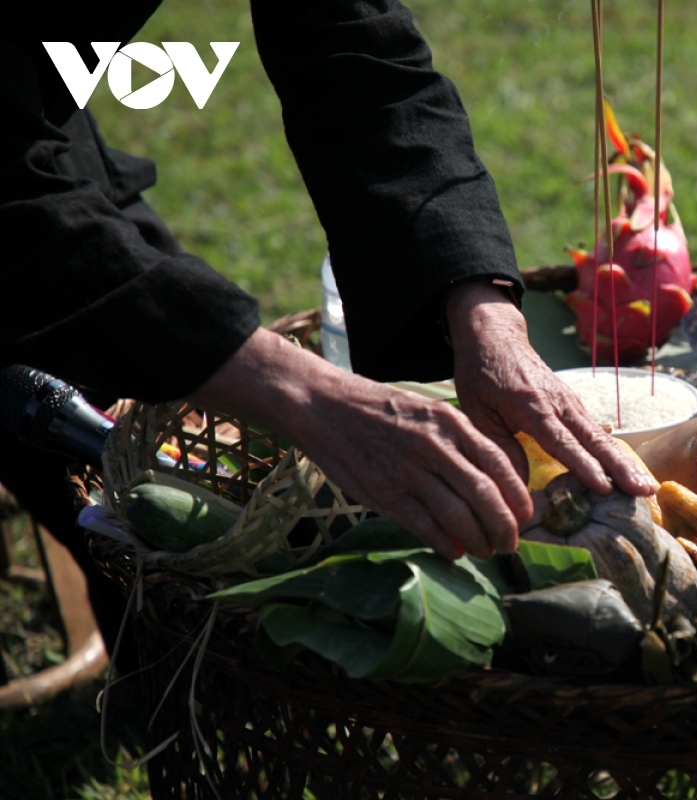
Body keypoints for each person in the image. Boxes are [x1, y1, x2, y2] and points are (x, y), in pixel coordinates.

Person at [1, 2, 656, 655]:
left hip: (44, 109)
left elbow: (359, 55)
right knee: (138, 546)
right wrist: (308, 397)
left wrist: (486, 311)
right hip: (14, 175)